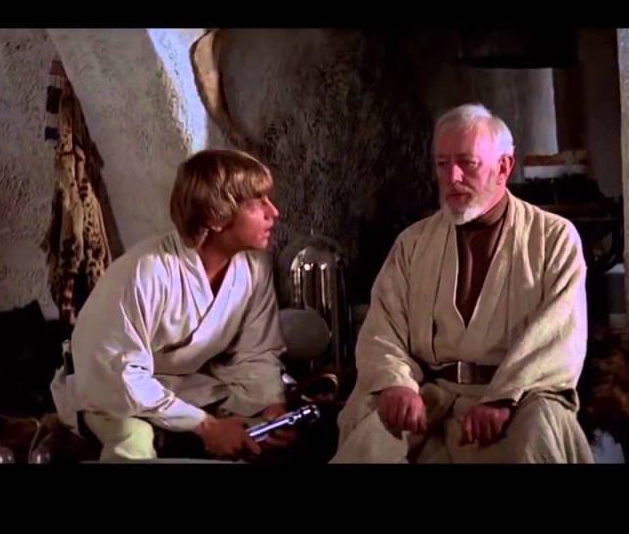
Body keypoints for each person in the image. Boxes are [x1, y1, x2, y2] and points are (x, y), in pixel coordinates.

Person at [332, 104, 594, 463]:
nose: (452, 177)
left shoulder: (553, 238)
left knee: (540, 431)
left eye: (467, 163)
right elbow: (383, 328)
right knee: (369, 436)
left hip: (518, 399)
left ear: (504, 167)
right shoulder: (413, 243)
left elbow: (558, 337)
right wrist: (396, 383)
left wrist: (502, 399)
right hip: (428, 397)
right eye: (442, 164)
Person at [50, 148, 293, 461]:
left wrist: (272, 409)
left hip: (184, 386)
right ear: (215, 216)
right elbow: (121, 376)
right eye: (256, 203)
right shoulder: (148, 270)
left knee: (261, 435)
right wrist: (205, 426)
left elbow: (255, 352)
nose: (273, 212)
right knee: (134, 439)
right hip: (109, 388)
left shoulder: (254, 267)